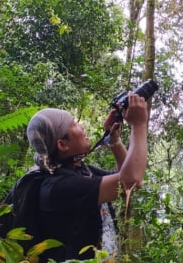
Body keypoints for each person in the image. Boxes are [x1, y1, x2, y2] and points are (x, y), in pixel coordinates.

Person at [25, 92, 149, 262]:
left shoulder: (79, 171)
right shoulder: (58, 186)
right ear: (62, 145)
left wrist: (114, 140)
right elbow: (131, 180)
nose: (82, 126)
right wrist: (139, 124)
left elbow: (126, 179)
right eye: (74, 125)